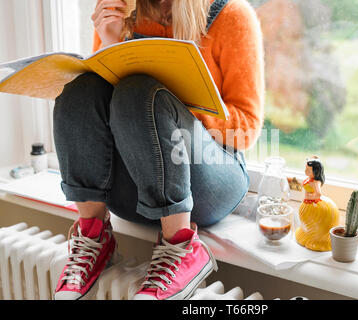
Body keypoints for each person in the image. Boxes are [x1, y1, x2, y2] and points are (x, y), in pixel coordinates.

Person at [53, 0, 264, 300]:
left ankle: (181, 245)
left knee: (141, 93)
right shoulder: (120, 12)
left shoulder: (230, 16)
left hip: (209, 178)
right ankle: (93, 235)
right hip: (141, 187)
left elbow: (248, 127)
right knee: (80, 89)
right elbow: (102, 111)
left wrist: (180, 105)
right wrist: (112, 43)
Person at [294, 156, 339, 252]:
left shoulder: (315, 183)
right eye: (305, 169)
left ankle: (318, 238)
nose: (306, 172)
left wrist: (308, 198)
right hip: (307, 203)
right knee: (306, 220)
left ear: (316, 171)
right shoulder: (310, 180)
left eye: (308, 170)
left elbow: (318, 194)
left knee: (315, 220)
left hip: (312, 203)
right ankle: (306, 234)